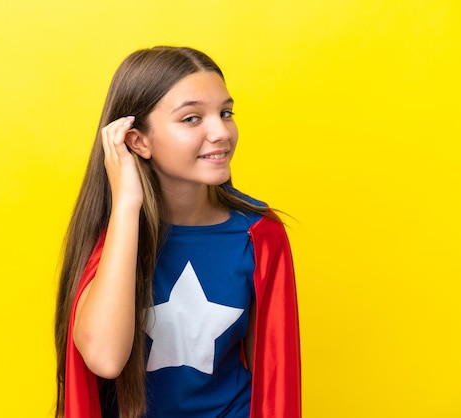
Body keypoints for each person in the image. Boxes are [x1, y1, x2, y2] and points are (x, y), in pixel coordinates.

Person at [54, 46, 301, 418]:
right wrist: (126, 205)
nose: (220, 132)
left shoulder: (259, 235)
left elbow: (275, 373)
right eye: (191, 119)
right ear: (138, 141)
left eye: (226, 113)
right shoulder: (115, 237)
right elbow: (105, 360)